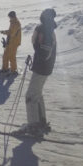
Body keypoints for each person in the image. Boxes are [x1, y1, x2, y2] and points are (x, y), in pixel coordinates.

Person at [21, 8, 57, 136]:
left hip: (42, 68)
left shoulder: (43, 29)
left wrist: (37, 48)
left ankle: (33, 125)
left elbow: (44, 51)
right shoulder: (49, 28)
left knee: (31, 95)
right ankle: (41, 122)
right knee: (37, 94)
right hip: (45, 68)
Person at [0, 10, 22, 75]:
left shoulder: (16, 23)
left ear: (13, 16)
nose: (9, 18)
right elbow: (10, 31)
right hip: (10, 42)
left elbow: (12, 33)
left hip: (14, 42)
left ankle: (13, 70)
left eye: (10, 17)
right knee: (5, 55)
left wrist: (4, 32)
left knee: (12, 56)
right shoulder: (12, 22)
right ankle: (5, 68)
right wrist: (5, 32)